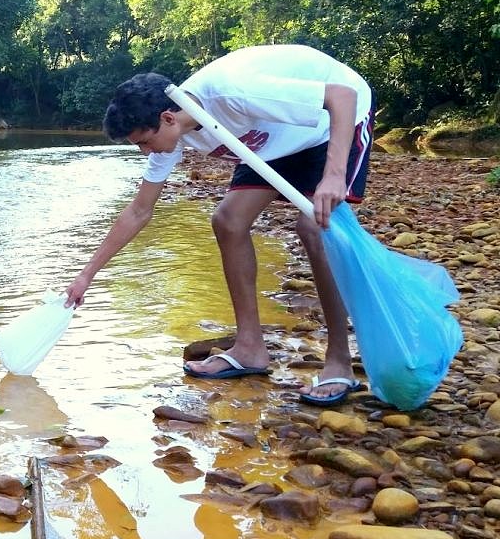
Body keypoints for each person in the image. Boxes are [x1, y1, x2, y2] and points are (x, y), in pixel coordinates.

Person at [64, 44, 375, 407]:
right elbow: (139, 210)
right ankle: (249, 349)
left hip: (331, 126)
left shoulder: (232, 91)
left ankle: (339, 360)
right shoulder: (176, 131)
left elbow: (341, 96)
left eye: (145, 143)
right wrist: (86, 275)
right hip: (274, 142)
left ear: (167, 118)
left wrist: (334, 175)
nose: (145, 153)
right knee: (228, 221)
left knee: (313, 228)